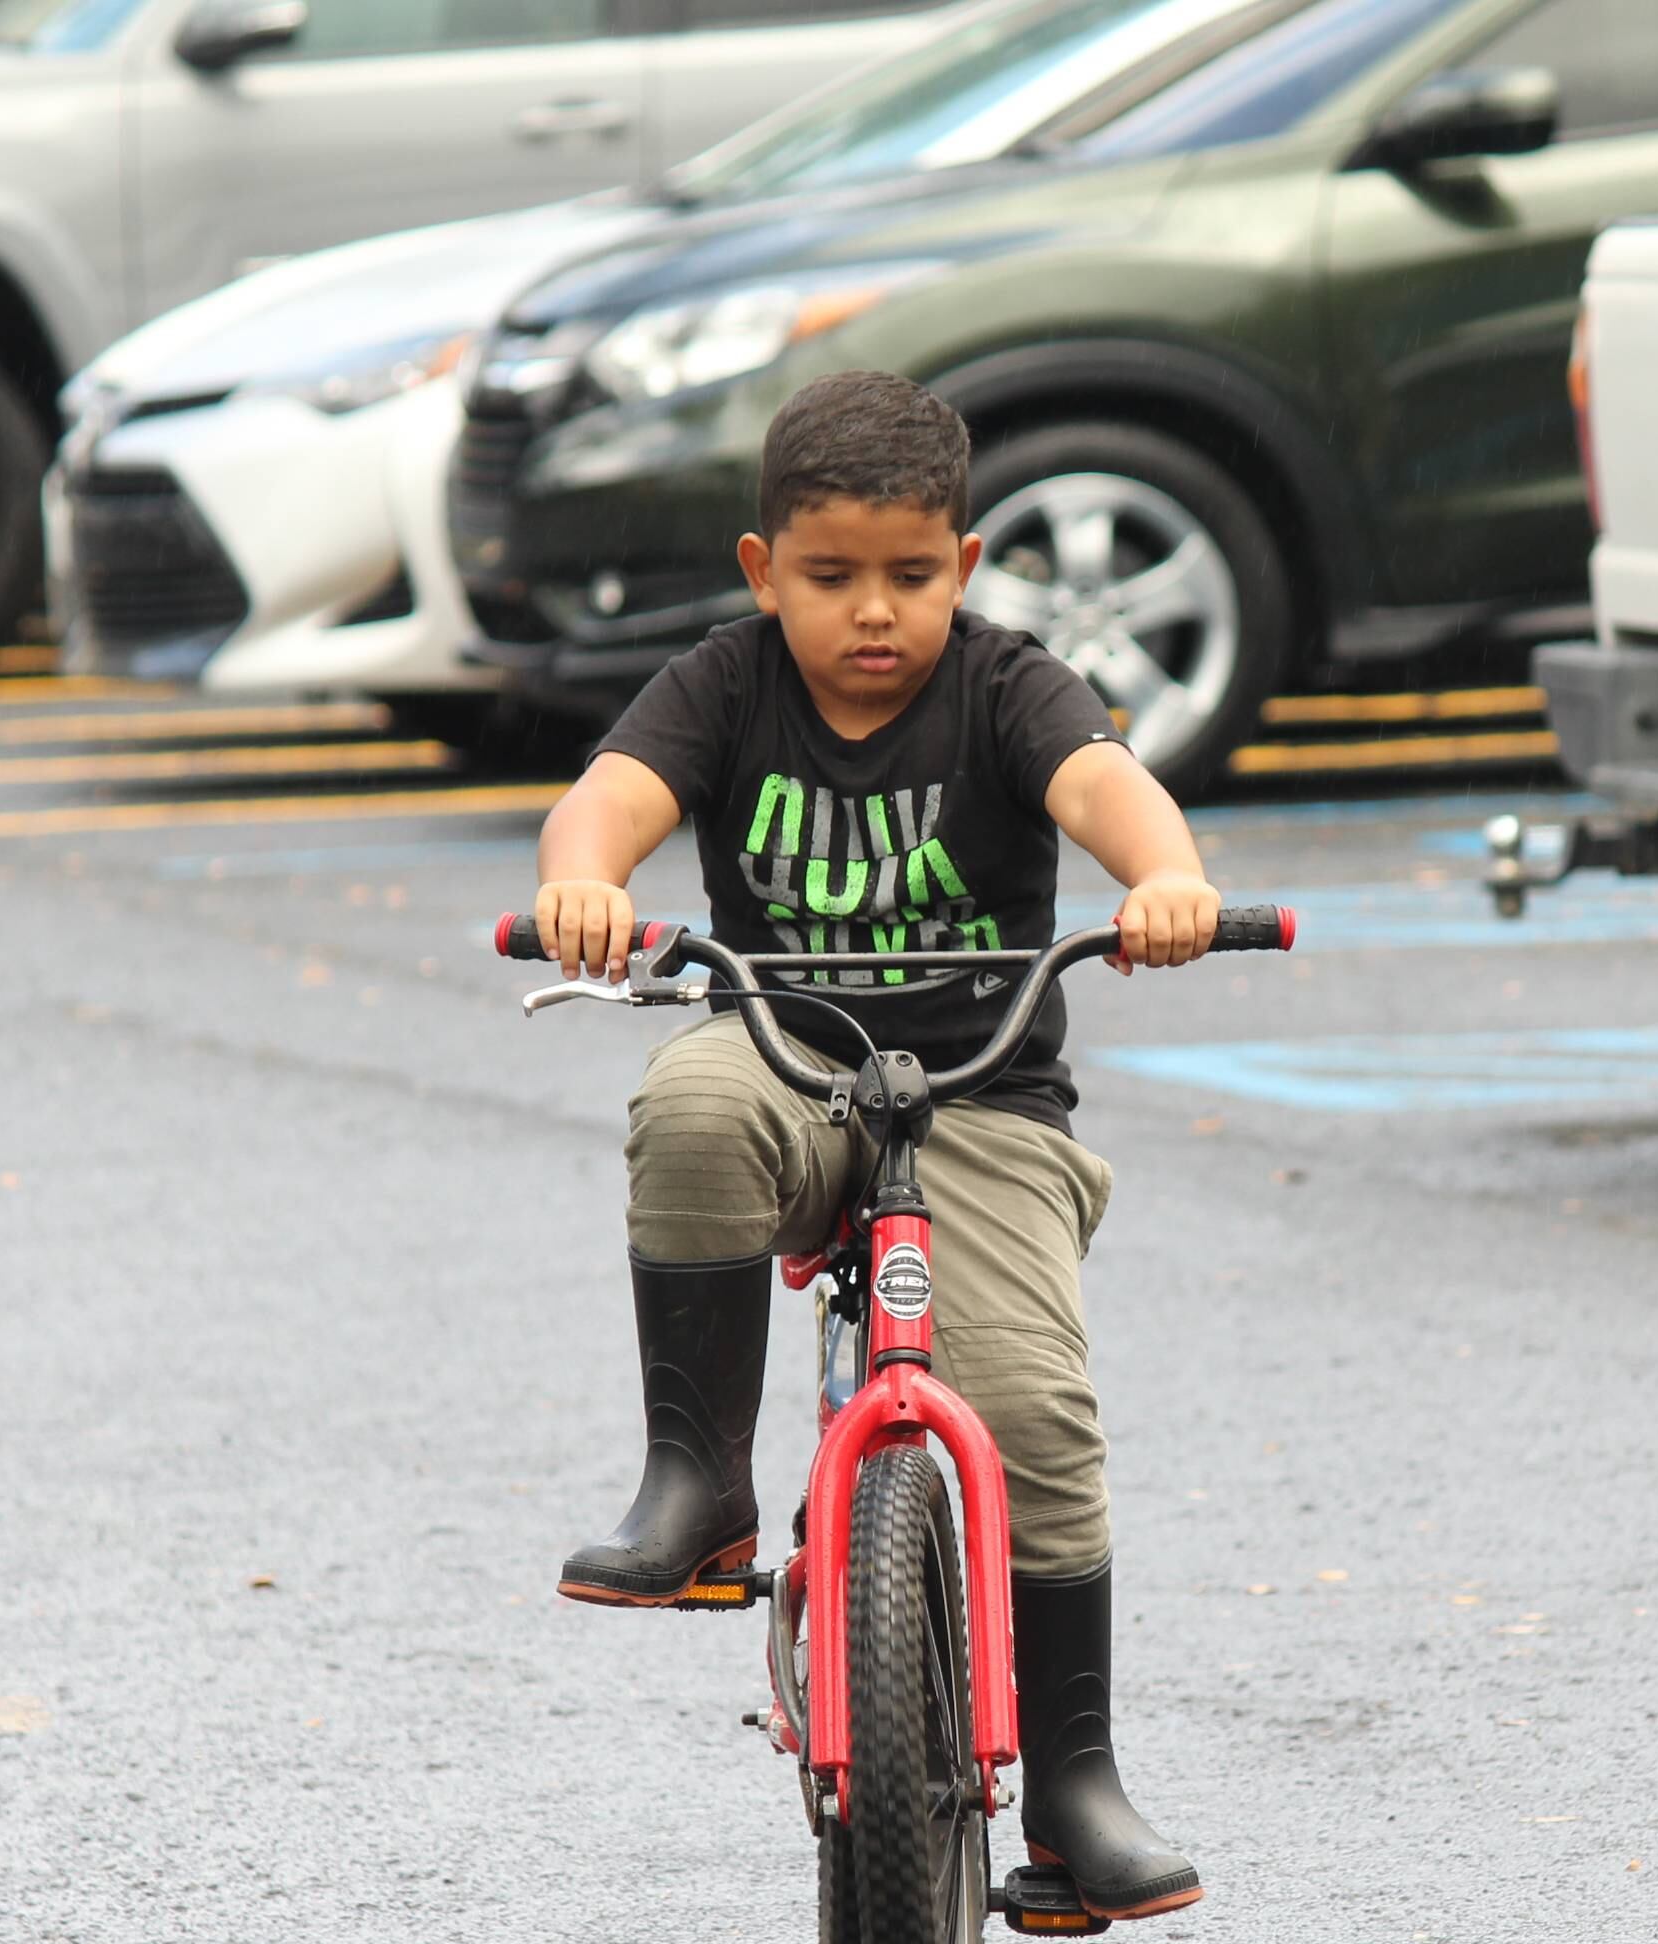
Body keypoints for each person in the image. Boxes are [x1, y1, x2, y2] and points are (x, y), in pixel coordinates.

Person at [523, 369, 1218, 1921]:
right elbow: (607, 802)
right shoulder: (724, 684)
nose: (875, 612)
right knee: (687, 1107)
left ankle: (1075, 1788)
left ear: (965, 566)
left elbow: (1106, 787)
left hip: (980, 1093)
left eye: (912, 574)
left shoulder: (1008, 685)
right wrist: (587, 882)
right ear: (764, 569)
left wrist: (1165, 878)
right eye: (832, 576)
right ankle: (699, 1488)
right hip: (790, 1065)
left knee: (1032, 1413)